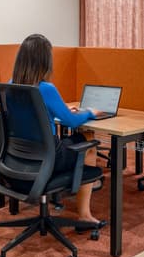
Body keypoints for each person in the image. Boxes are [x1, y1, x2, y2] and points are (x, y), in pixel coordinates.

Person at [11, 33, 103, 226]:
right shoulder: (46, 88)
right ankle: (85, 213)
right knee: (87, 140)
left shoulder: (11, 85)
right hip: (48, 157)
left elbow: (31, 114)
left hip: (20, 159)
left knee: (77, 139)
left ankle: (82, 185)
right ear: (45, 61)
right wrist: (90, 112)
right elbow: (71, 122)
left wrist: (58, 109)